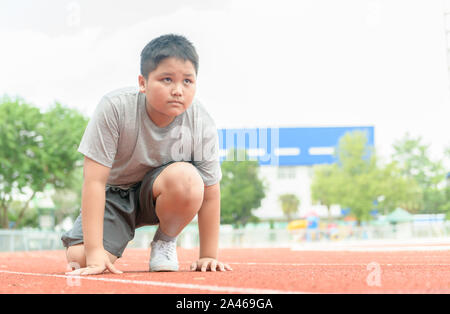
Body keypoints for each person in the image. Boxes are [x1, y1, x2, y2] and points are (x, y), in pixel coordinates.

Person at [62, 34, 232, 275]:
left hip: (161, 192)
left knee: (188, 178)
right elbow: (94, 182)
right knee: (80, 260)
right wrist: (95, 250)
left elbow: (211, 193)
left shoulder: (200, 122)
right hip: (115, 196)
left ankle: (164, 241)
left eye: (187, 81)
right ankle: (115, 233)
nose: (177, 90)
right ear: (143, 83)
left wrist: (208, 255)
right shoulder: (114, 108)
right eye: (166, 79)